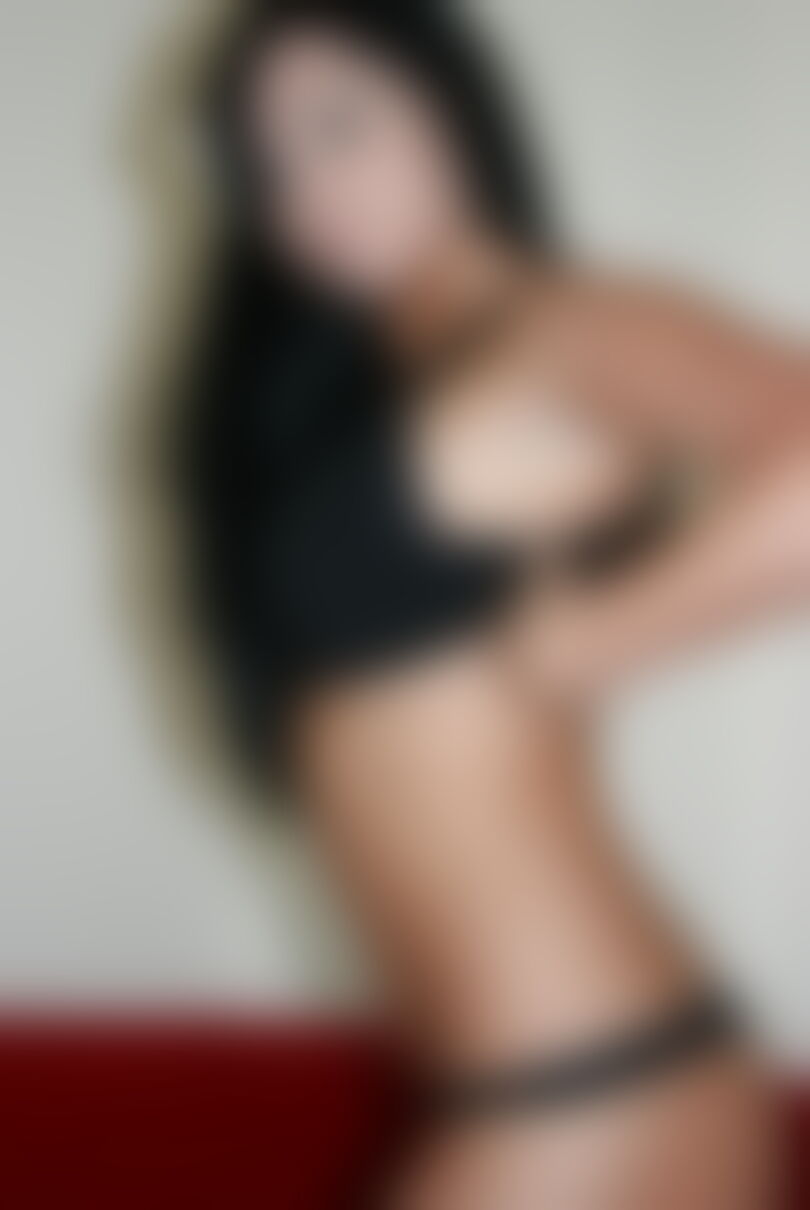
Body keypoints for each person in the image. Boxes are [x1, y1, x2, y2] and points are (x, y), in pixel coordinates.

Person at [184, 3, 809, 1206]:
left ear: (456, 107)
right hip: (530, 1089)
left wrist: (599, 644)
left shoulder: (549, 327)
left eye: (341, 124)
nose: (307, 186)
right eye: (270, 161)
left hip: (603, 1092)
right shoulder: (368, 389)